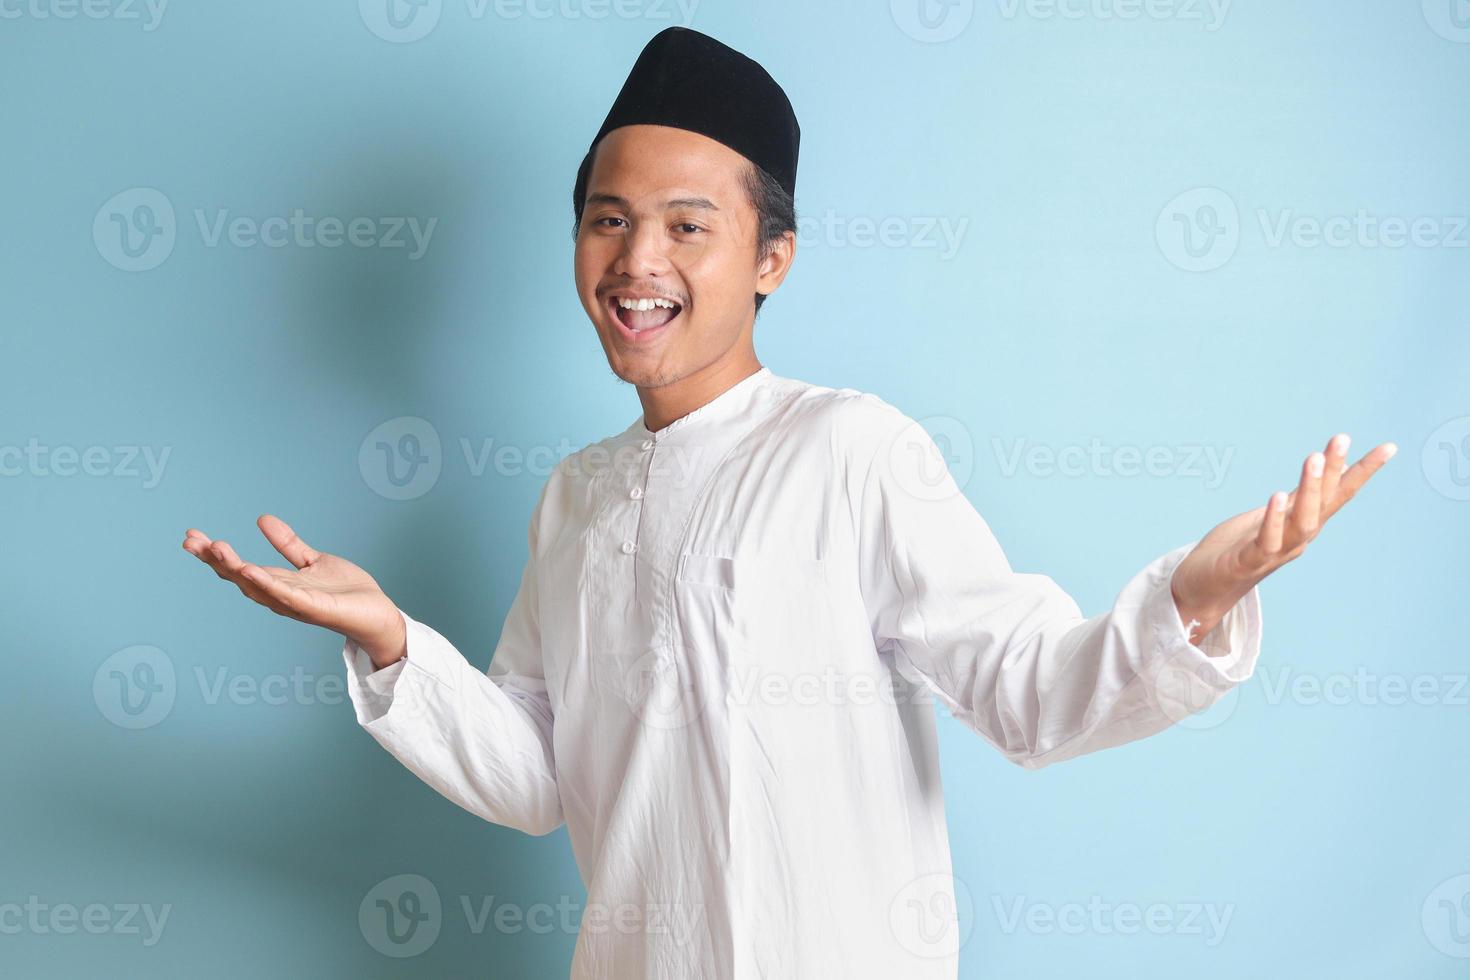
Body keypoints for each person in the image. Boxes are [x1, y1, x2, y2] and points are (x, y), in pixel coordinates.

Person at [181, 26, 1395, 979]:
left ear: (772, 259)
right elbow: (540, 774)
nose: (637, 260)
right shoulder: (575, 495)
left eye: (687, 226)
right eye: (608, 220)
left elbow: (1032, 691)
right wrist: (395, 643)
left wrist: (1196, 593)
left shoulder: (851, 450)